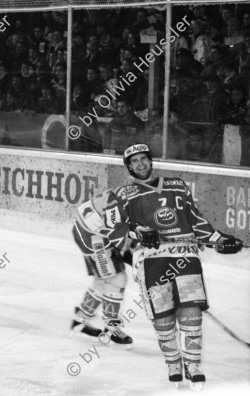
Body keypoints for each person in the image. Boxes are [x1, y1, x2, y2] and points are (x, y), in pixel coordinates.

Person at [106, 143, 245, 389]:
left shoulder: (176, 185)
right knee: (163, 316)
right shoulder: (120, 194)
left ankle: (192, 365)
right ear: (128, 166)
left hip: (185, 256)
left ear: (151, 161)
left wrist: (219, 240)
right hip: (151, 260)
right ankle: (173, 363)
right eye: (135, 161)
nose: (140, 164)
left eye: (144, 159)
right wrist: (137, 234)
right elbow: (114, 231)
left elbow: (195, 219)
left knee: (191, 312)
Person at [70, 188, 134, 348]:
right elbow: (121, 241)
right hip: (94, 237)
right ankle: (111, 329)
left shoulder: (127, 194)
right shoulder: (120, 207)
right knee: (116, 278)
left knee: (103, 280)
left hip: (88, 229)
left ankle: (79, 322)